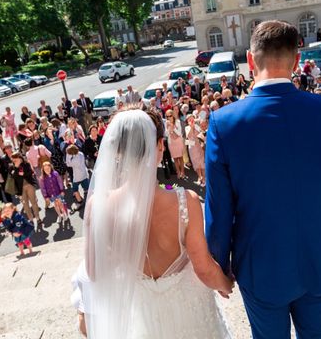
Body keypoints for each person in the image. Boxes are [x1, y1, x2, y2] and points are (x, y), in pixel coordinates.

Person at [205, 21, 321, 338]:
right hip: (320, 256)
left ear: (250, 61)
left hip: (260, 265)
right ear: (296, 60)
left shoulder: (224, 122)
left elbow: (219, 206)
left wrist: (219, 264)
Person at [78, 109, 232, 338]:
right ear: (160, 146)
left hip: (143, 315)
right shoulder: (185, 201)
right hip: (190, 315)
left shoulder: (97, 206)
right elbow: (204, 268)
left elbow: (94, 272)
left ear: (117, 151)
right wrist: (225, 283)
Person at [8, 153, 40, 227]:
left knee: (33, 202)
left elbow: (30, 173)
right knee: (25, 204)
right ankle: (31, 219)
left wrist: (24, 174)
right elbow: (13, 177)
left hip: (29, 185)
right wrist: (16, 167)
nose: (14, 160)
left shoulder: (26, 164)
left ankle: (38, 218)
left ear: (20, 158)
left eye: (15, 158)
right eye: (13, 158)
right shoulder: (11, 167)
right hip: (20, 189)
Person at [65, 144, 89, 213]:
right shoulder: (81, 154)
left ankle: (80, 202)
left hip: (77, 177)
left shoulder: (74, 160)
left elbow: (68, 164)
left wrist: (68, 155)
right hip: (84, 174)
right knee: (87, 187)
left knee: (75, 189)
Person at [185, 114, 206, 187]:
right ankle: (199, 177)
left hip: (199, 146)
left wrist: (195, 127)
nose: (191, 121)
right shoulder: (187, 128)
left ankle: (204, 178)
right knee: (196, 163)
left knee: (202, 162)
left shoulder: (197, 126)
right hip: (192, 147)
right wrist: (191, 127)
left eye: (192, 119)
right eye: (189, 119)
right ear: (187, 121)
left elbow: (201, 134)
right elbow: (188, 136)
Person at [166, 109, 185, 180]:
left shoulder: (177, 122)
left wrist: (172, 127)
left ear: (172, 115)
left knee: (180, 157)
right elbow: (166, 134)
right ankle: (178, 172)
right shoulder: (166, 123)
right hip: (171, 142)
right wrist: (168, 129)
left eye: (170, 116)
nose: (168, 118)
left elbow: (179, 133)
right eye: (167, 116)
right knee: (175, 158)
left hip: (178, 141)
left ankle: (182, 172)